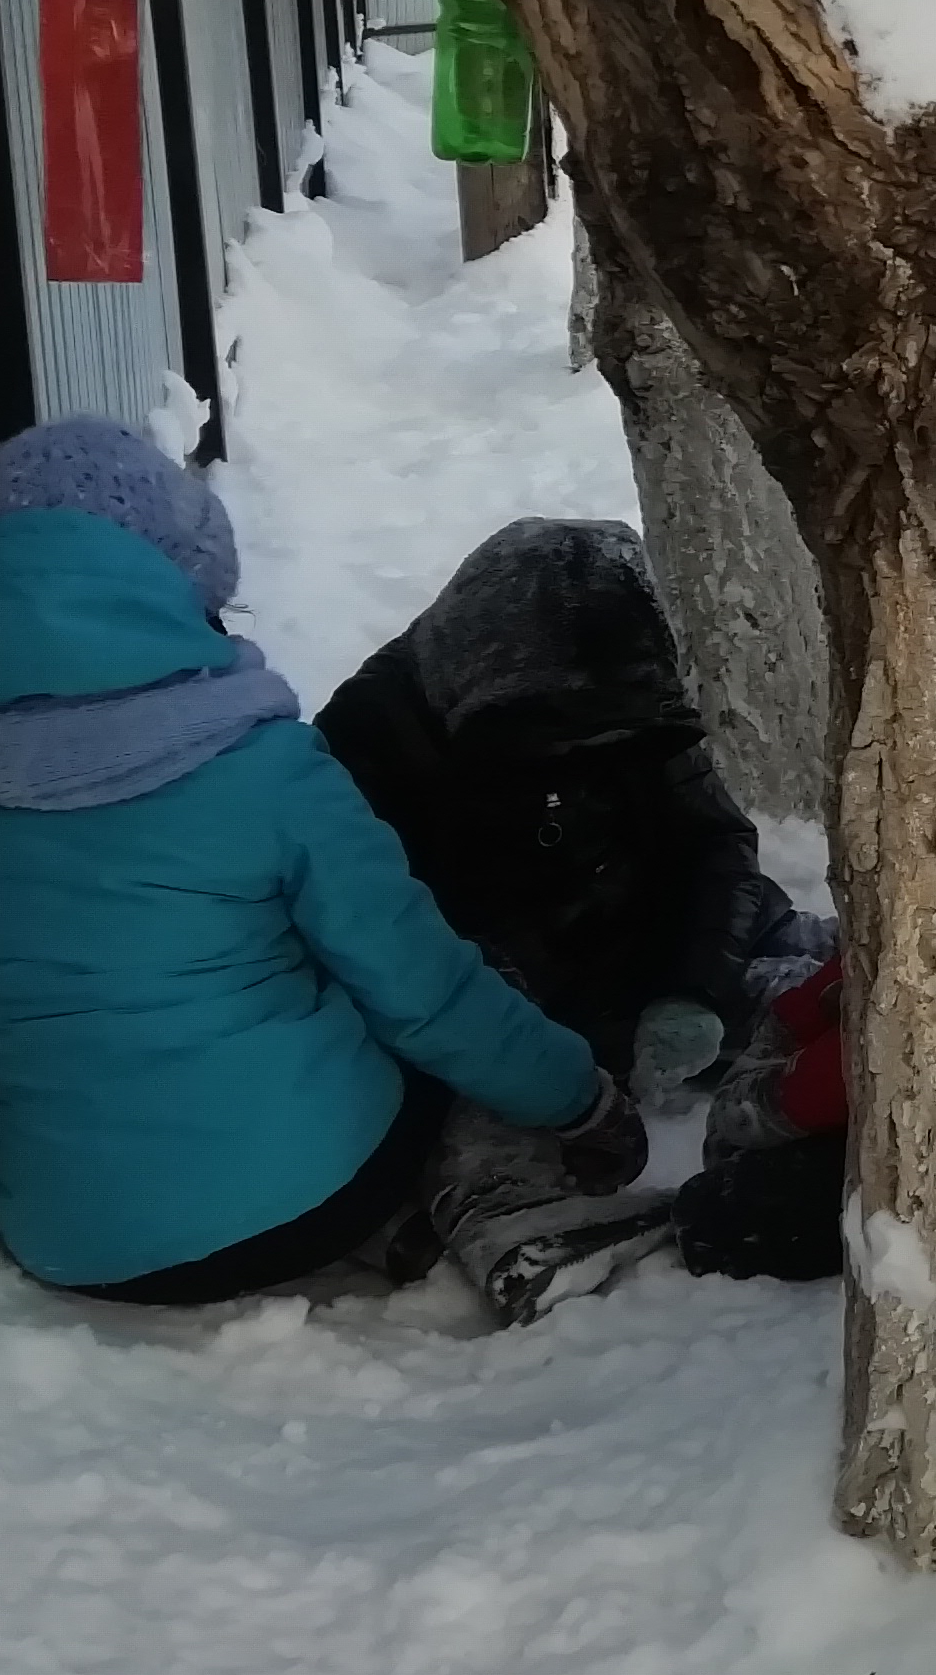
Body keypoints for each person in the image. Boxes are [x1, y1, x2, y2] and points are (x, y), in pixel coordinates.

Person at [0, 420, 651, 1322]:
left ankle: (395, 1232)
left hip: (70, 1238)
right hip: (307, 1195)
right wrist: (580, 1099)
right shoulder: (259, 766)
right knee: (459, 982)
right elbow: (427, 994)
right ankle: (500, 1210)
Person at [313, 517, 843, 1282]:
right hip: (492, 1001)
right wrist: (561, 1074)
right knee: (446, 1104)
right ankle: (522, 1232)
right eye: (560, 747)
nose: (584, 764)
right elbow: (407, 962)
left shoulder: (629, 704)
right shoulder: (365, 748)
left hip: (636, 953)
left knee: (819, 988)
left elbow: (715, 846)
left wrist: (692, 987)